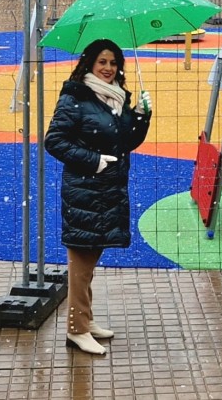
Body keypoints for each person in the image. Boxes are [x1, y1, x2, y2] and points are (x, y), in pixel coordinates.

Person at [43, 39, 152, 356]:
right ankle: (76, 330)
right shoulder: (75, 97)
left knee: (89, 262)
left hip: (108, 190)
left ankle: (84, 321)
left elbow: (127, 142)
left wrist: (141, 116)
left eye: (113, 63)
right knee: (81, 263)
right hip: (85, 191)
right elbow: (55, 141)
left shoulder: (115, 100)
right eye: (102, 62)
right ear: (90, 63)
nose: (108, 68)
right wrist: (93, 161)